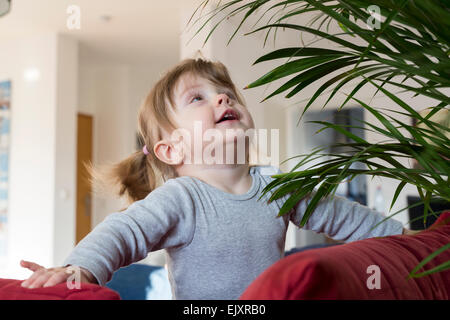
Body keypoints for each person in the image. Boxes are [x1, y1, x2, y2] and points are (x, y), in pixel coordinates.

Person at [20, 58, 416, 299]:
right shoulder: (182, 198)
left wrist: (410, 244)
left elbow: (346, 218)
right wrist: (80, 270)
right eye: (198, 98)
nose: (223, 98)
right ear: (171, 150)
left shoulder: (278, 187)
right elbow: (123, 232)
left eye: (227, 92)